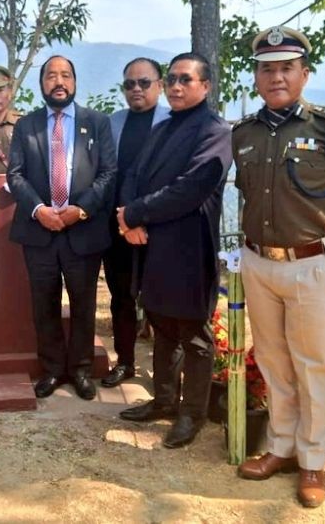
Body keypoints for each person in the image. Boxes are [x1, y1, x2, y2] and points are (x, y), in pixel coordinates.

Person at [230, 27, 325, 507]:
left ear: (304, 73)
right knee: (272, 360)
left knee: (313, 367)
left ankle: (313, 461)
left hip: (311, 263)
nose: (276, 76)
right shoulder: (242, 132)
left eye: (287, 67)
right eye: (267, 68)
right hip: (259, 262)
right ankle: (281, 448)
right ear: (257, 76)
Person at [117, 53, 231, 448]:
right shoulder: (162, 128)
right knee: (161, 326)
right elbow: (134, 173)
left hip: (188, 247)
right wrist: (129, 219)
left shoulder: (214, 131)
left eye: (186, 79)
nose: (177, 87)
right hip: (150, 244)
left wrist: (135, 212)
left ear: (206, 86)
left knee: (193, 335)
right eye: (172, 80)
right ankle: (164, 400)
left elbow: (191, 188)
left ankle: (192, 413)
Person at [6, 55, 116, 401]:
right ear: (41, 84)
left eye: (65, 75)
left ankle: (81, 370)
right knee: (44, 303)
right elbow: (16, 174)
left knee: (84, 303)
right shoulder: (27, 126)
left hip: (82, 230)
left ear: (75, 82)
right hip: (39, 231)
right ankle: (52, 369)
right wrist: (39, 210)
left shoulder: (97, 123)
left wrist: (80, 210)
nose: (59, 82)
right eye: (51, 76)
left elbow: (109, 173)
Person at [101, 57, 169, 388]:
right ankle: (125, 361)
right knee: (122, 297)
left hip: (161, 228)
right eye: (130, 84)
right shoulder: (113, 123)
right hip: (119, 227)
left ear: (161, 84)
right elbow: (106, 174)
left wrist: (144, 218)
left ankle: (165, 374)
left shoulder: (174, 122)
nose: (137, 89)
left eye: (144, 82)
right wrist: (123, 221)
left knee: (160, 301)